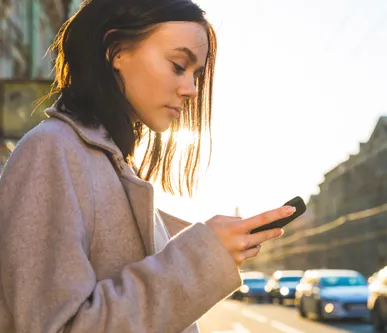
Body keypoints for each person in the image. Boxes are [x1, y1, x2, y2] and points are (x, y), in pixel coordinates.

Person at [0, 0, 295, 332]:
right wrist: (200, 258)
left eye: (196, 74)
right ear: (117, 51)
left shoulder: (112, 165)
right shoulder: (52, 150)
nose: (192, 90)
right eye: (178, 65)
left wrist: (207, 244)